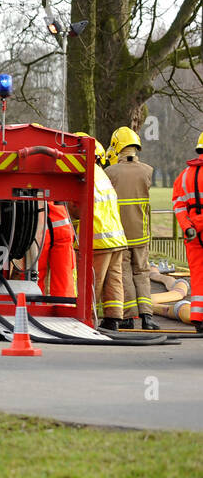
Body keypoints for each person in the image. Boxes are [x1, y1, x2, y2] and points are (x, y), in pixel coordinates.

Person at [105, 126, 158, 329]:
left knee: (123, 272)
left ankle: (128, 317)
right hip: (141, 233)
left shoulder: (110, 172)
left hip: (120, 233)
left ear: (118, 146)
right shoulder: (148, 170)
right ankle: (147, 317)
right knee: (142, 272)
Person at [86, 135, 129, 330]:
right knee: (114, 280)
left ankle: (86, 318)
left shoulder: (85, 175)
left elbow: (76, 209)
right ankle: (112, 320)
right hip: (117, 238)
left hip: (99, 239)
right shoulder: (101, 173)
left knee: (92, 281)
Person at [170, 132, 203, 333]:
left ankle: (199, 318)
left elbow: (178, 203)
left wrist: (187, 227)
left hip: (193, 233)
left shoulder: (185, 175)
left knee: (198, 275)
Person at [36, 201, 76, 298]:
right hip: (60, 217)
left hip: (37, 217)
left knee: (34, 275)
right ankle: (63, 309)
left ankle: (32, 307)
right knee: (63, 279)